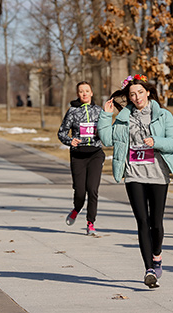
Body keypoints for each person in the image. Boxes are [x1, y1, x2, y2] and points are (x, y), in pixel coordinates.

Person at [98, 74, 173, 288]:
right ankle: (149, 270)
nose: (137, 97)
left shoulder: (163, 115)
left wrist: (157, 142)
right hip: (133, 174)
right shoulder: (124, 118)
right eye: (132, 94)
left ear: (148, 92)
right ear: (128, 97)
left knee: (156, 223)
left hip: (157, 174)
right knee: (142, 221)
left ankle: (157, 254)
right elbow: (107, 140)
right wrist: (106, 117)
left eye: (140, 93)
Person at [58, 81, 105, 236]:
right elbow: (62, 133)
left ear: (92, 93)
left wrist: (102, 134)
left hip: (95, 154)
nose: (84, 94)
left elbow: (107, 131)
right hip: (78, 155)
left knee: (92, 189)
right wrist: (70, 141)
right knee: (80, 191)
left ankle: (90, 223)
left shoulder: (99, 111)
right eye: (81, 91)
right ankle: (77, 208)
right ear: (78, 94)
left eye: (87, 91)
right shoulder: (72, 111)